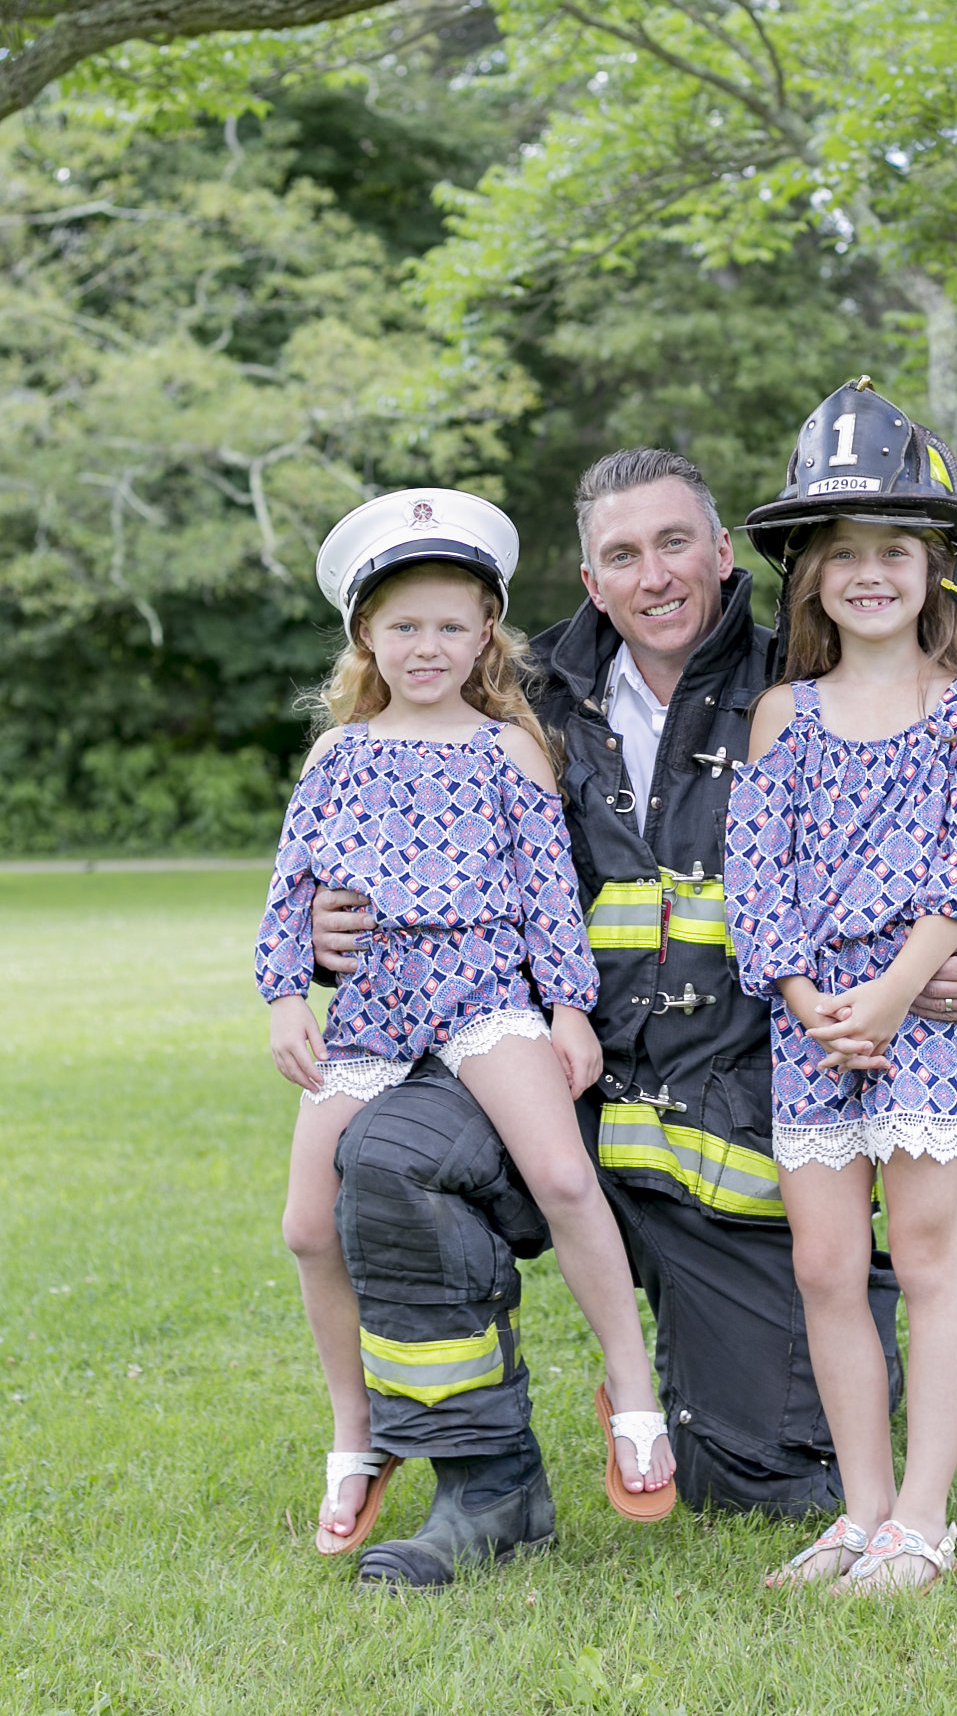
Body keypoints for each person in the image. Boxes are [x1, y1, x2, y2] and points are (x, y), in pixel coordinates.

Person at [311, 408, 957, 1586]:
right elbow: (378, 834)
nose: (654, 573)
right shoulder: (525, 700)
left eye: (677, 542)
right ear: (589, 578)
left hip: (745, 1112)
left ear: (725, 552)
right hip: (539, 1078)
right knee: (390, 1155)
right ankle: (484, 1482)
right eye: (623, 554)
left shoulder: (812, 673)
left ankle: (773, 1414)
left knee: (776, 1474)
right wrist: (324, 931)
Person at [255, 487, 674, 1558]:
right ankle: (358, 1429)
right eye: (404, 625)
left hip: (486, 989)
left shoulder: (508, 749)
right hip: (374, 1004)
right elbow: (289, 890)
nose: (428, 645)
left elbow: (545, 895)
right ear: (366, 636)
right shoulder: (336, 757)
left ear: (487, 628)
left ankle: (632, 1387)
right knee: (309, 1221)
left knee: (565, 1175)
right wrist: (282, 996)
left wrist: (570, 1007)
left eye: (451, 622)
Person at [727, 379, 957, 1593]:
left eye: (896, 549)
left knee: (930, 1252)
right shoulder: (783, 712)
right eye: (844, 553)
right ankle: (860, 1508)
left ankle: (925, 1520)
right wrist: (805, 1000)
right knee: (827, 1266)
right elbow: (759, 877)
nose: (870, 572)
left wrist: (896, 993)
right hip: (812, 1024)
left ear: (936, 565)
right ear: (810, 577)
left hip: (915, 1015)